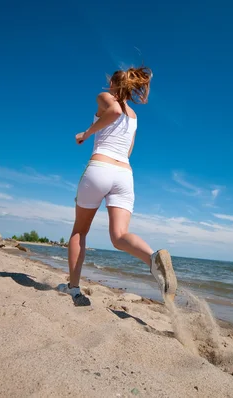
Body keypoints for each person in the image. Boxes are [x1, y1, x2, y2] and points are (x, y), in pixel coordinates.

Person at [57, 66, 177, 307]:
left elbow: (112, 110)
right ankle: (153, 258)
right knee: (119, 236)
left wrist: (86, 133)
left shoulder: (106, 98)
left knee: (79, 231)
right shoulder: (134, 116)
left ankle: (74, 289)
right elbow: (129, 149)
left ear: (113, 84)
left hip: (100, 167)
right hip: (124, 173)